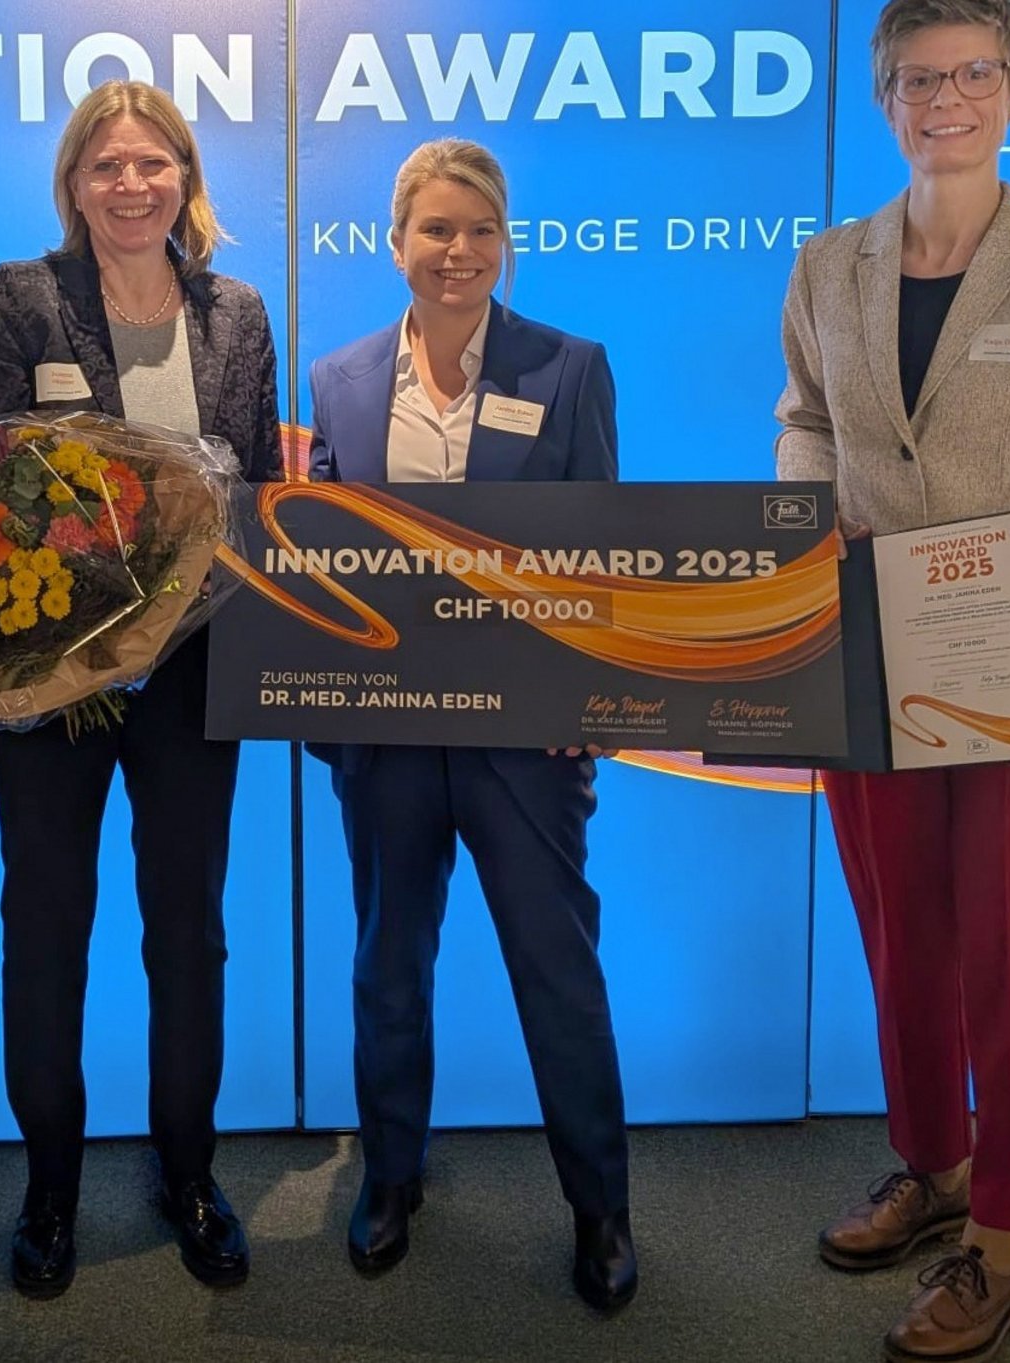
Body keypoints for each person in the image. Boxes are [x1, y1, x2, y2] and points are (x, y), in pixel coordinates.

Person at [773, 2, 1010, 1358]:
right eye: (919, 78)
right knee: (903, 931)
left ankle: (1004, 1238)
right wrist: (809, 523)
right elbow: (805, 420)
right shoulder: (827, 265)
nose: (946, 99)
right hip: (866, 648)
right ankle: (933, 1164)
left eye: (974, 72)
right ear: (884, 100)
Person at [0, 79, 283, 1298]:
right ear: (73, 185)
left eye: (152, 163)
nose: (131, 185)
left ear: (183, 177)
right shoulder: (21, 299)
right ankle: (49, 1188)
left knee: (188, 930)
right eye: (107, 165)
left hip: (195, 673)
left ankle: (187, 1173)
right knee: (45, 927)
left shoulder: (237, 313)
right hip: (51, 675)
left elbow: (255, 490)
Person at [306, 137, 636, 1316]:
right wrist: (326, 716)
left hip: (524, 745)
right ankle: (390, 1176)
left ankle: (600, 1206)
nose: (459, 251)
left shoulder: (568, 367)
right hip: (387, 740)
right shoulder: (339, 380)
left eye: (480, 229)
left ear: (505, 242)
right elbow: (322, 565)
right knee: (387, 964)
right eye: (436, 229)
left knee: (557, 970)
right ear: (394, 242)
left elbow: (599, 555)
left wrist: (587, 706)